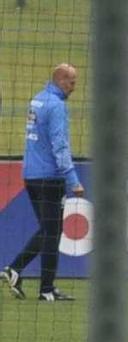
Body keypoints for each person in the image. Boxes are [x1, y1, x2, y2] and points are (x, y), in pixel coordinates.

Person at [2, 63, 85, 302]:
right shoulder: (56, 106)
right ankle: (38, 284)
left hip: (31, 175)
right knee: (52, 231)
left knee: (51, 230)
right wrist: (73, 180)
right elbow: (60, 146)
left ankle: (26, 276)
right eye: (72, 82)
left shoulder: (37, 99)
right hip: (51, 177)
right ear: (61, 80)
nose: (74, 88)